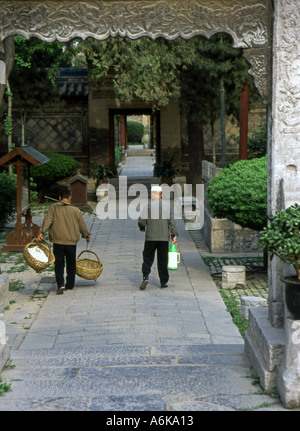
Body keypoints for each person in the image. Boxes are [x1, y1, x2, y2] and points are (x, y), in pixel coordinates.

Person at [37, 188, 91, 294]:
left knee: (59, 263)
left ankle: (60, 284)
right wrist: (86, 235)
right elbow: (82, 225)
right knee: (71, 263)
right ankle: (70, 285)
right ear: (70, 198)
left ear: (60, 198)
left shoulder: (53, 208)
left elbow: (47, 221)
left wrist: (41, 232)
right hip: (71, 242)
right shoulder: (76, 210)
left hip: (58, 242)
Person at [138, 185, 178, 290]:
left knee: (147, 258)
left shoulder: (148, 205)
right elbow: (172, 223)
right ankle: (163, 281)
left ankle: (145, 276)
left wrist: (142, 227)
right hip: (164, 238)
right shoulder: (168, 206)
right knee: (163, 260)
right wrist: (174, 235)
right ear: (161, 195)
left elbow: (141, 220)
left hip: (150, 237)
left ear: (152, 194)